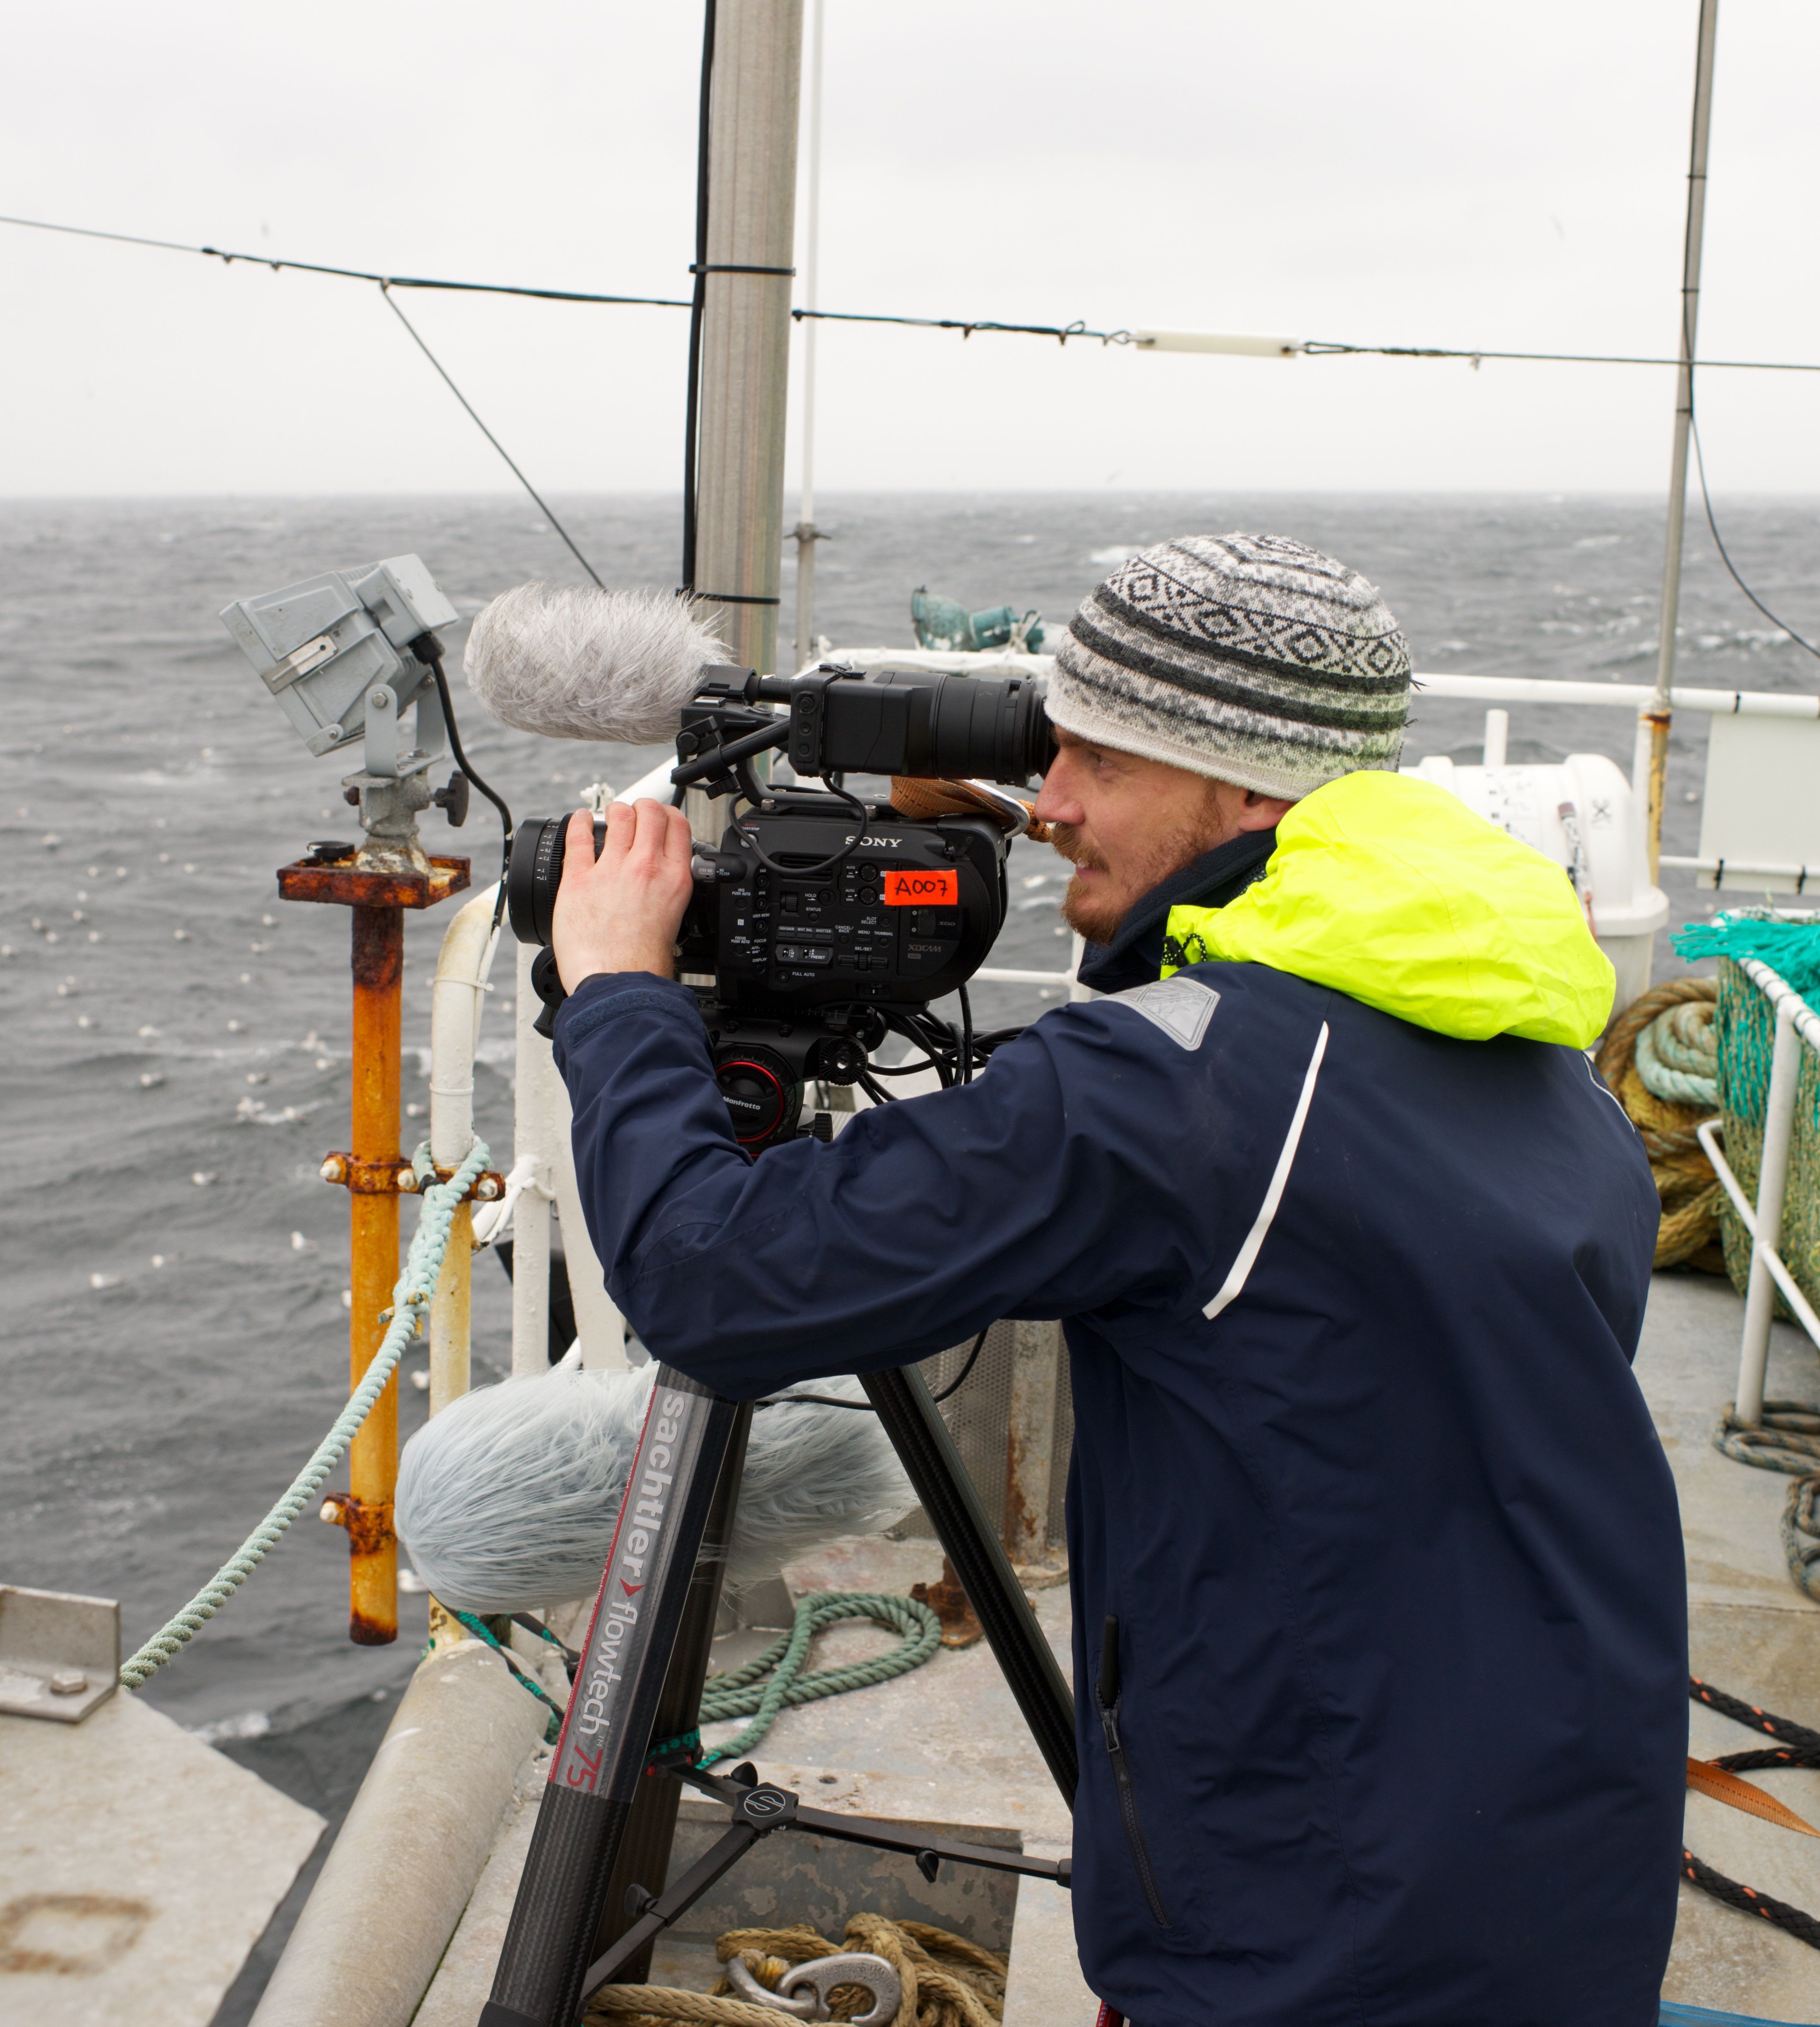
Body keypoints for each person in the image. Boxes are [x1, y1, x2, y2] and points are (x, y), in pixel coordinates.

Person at [544, 534, 1684, 2026]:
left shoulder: (1163, 1101)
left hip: (1321, 1943)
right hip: (1559, 1874)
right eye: (1045, 754)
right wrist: (1060, 821)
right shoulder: (1523, 1024)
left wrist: (623, 991)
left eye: (1097, 764)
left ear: (1250, 794)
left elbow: (710, 1280)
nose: (1053, 803)